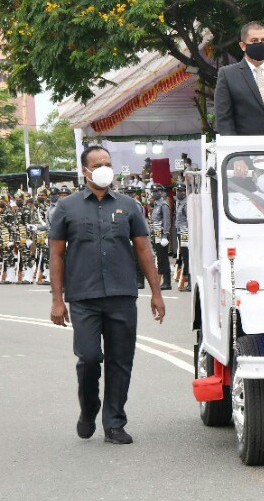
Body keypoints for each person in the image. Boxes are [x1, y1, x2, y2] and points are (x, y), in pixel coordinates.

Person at [49, 146, 167, 444]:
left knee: (120, 360)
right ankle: (89, 410)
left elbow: (143, 249)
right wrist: (56, 300)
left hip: (121, 295)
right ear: (85, 171)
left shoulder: (129, 206)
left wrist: (156, 292)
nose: (105, 168)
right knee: (89, 358)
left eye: (108, 163)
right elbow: (56, 256)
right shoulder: (66, 208)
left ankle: (114, 423)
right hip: (83, 297)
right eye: (98, 164)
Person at [149, 185, 173, 291]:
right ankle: (162, 280)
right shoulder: (155, 205)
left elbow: (167, 221)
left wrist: (165, 235)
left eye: (157, 191)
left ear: (161, 192)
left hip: (162, 235)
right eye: (153, 191)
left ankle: (167, 282)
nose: (154, 193)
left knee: (163, 259)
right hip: (156, 235)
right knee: (159, 259)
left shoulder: (163, 205)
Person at [173, 184, 190, 292]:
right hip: (181, 232)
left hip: (185, 233)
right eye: (177, 190)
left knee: (187, 258)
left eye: (180, 191)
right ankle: (187, 278)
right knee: (184, 257)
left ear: (185, 192)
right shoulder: (180, 203)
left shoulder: (186, 204)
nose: (178, 192)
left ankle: (190, 282)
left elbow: (190, 220)